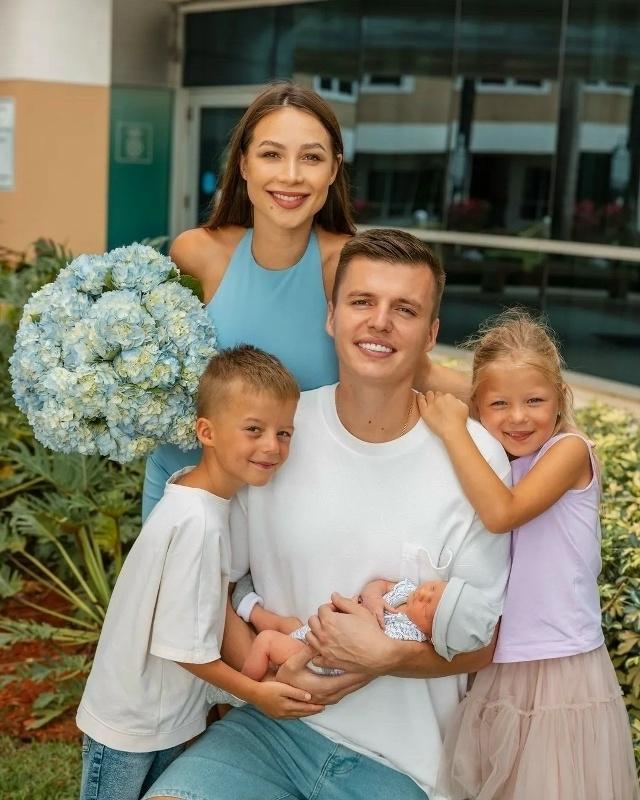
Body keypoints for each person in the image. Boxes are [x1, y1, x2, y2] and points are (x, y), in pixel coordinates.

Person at [144, 228, 512, 800]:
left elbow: (483, 642)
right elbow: (214, 581)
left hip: (405, 764)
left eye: (405, 309)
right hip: (269, 733)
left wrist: (389, 656)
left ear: (431, 333)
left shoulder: (474, 456)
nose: (380, 322)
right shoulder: (277, 437)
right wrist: (266, 680)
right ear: (332, 316)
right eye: (362, 301)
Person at [142, 80, 467, 522]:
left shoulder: (347, 268)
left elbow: (419, 372)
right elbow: (150, 369)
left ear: (333, 170)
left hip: (293, 503)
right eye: (271, 155)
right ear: (243, 164)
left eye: (311, 157)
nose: (291, 176)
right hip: (187, 490)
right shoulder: (196, 254)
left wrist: (531, 401)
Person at [76, 346, 323, 800]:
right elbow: (183, 649)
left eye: (284, 432)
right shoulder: (199, 523)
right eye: (254, 429)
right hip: (131, 721)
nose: (272, 446)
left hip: (159, 714)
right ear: (206, 431)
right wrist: (254, 694)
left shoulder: (197, 496)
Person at [418, 311, 639, 800]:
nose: (517, 417)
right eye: (499, 404)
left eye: (535, 401)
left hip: (561, 665)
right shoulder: (499, 449)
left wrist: (454, 431)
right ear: (480, 405)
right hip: (500, 663)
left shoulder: (568, 451)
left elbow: (504, 513)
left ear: (560, 397)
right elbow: (425, 373)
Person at [241, 578, 448, 681]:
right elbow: (381, 584)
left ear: (431, 636)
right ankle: (249, 609)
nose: (424, 595)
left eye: (428, 608)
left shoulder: (409, 636)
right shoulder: (408, 590)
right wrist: (372, 596)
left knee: (267, 641)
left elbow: (372, 646)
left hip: (321, 655)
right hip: (322, 630)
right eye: (433, 588)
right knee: (290, 625)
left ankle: (247, 688)